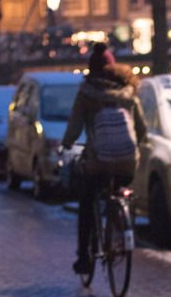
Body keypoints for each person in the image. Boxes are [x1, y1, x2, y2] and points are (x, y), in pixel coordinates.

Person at [62, 44, 146, 274]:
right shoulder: (128, 92)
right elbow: (141, 128)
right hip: (127, 162)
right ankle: (120, 225)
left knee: (87, 203)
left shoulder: (87, 94)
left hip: (98, 161)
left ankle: (84, 258)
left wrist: (66, 143)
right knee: (121, 188)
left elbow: (75, 126)